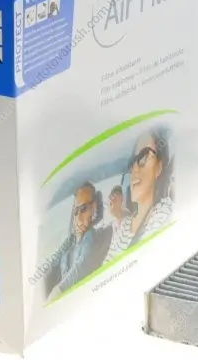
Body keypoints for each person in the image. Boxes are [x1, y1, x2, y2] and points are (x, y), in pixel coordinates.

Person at [105, 128, 174, 261]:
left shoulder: (164, 211)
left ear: (158, 167)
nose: (135, 169)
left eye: (143, 157)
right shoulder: (124, 225)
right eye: (132, 162)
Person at [51, 182, 111, 298]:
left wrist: (57, 291)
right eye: (75, 212)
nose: (78, 217)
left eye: (83, 209)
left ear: (94, 208)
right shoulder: (71, 243)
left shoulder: (92, 238)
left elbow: (82, 265)